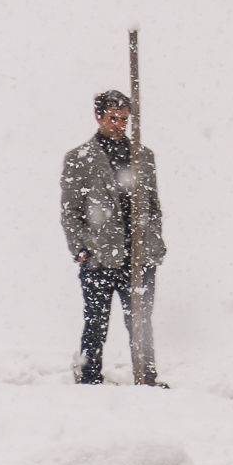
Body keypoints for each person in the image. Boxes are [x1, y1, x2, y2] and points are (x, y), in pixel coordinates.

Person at [60, 90, 167, 386]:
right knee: (95, 323)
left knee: (140, 323)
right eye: (113, 118)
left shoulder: (143, 156)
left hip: (139, 257)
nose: (119, 125)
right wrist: (81, 249)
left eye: (124, 119)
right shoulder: (80, 159)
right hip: (99, 258)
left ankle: (146, 378)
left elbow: (153, 205)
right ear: (98, 117)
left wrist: (153, 244)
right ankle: (88, 378)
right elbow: (70, 211)